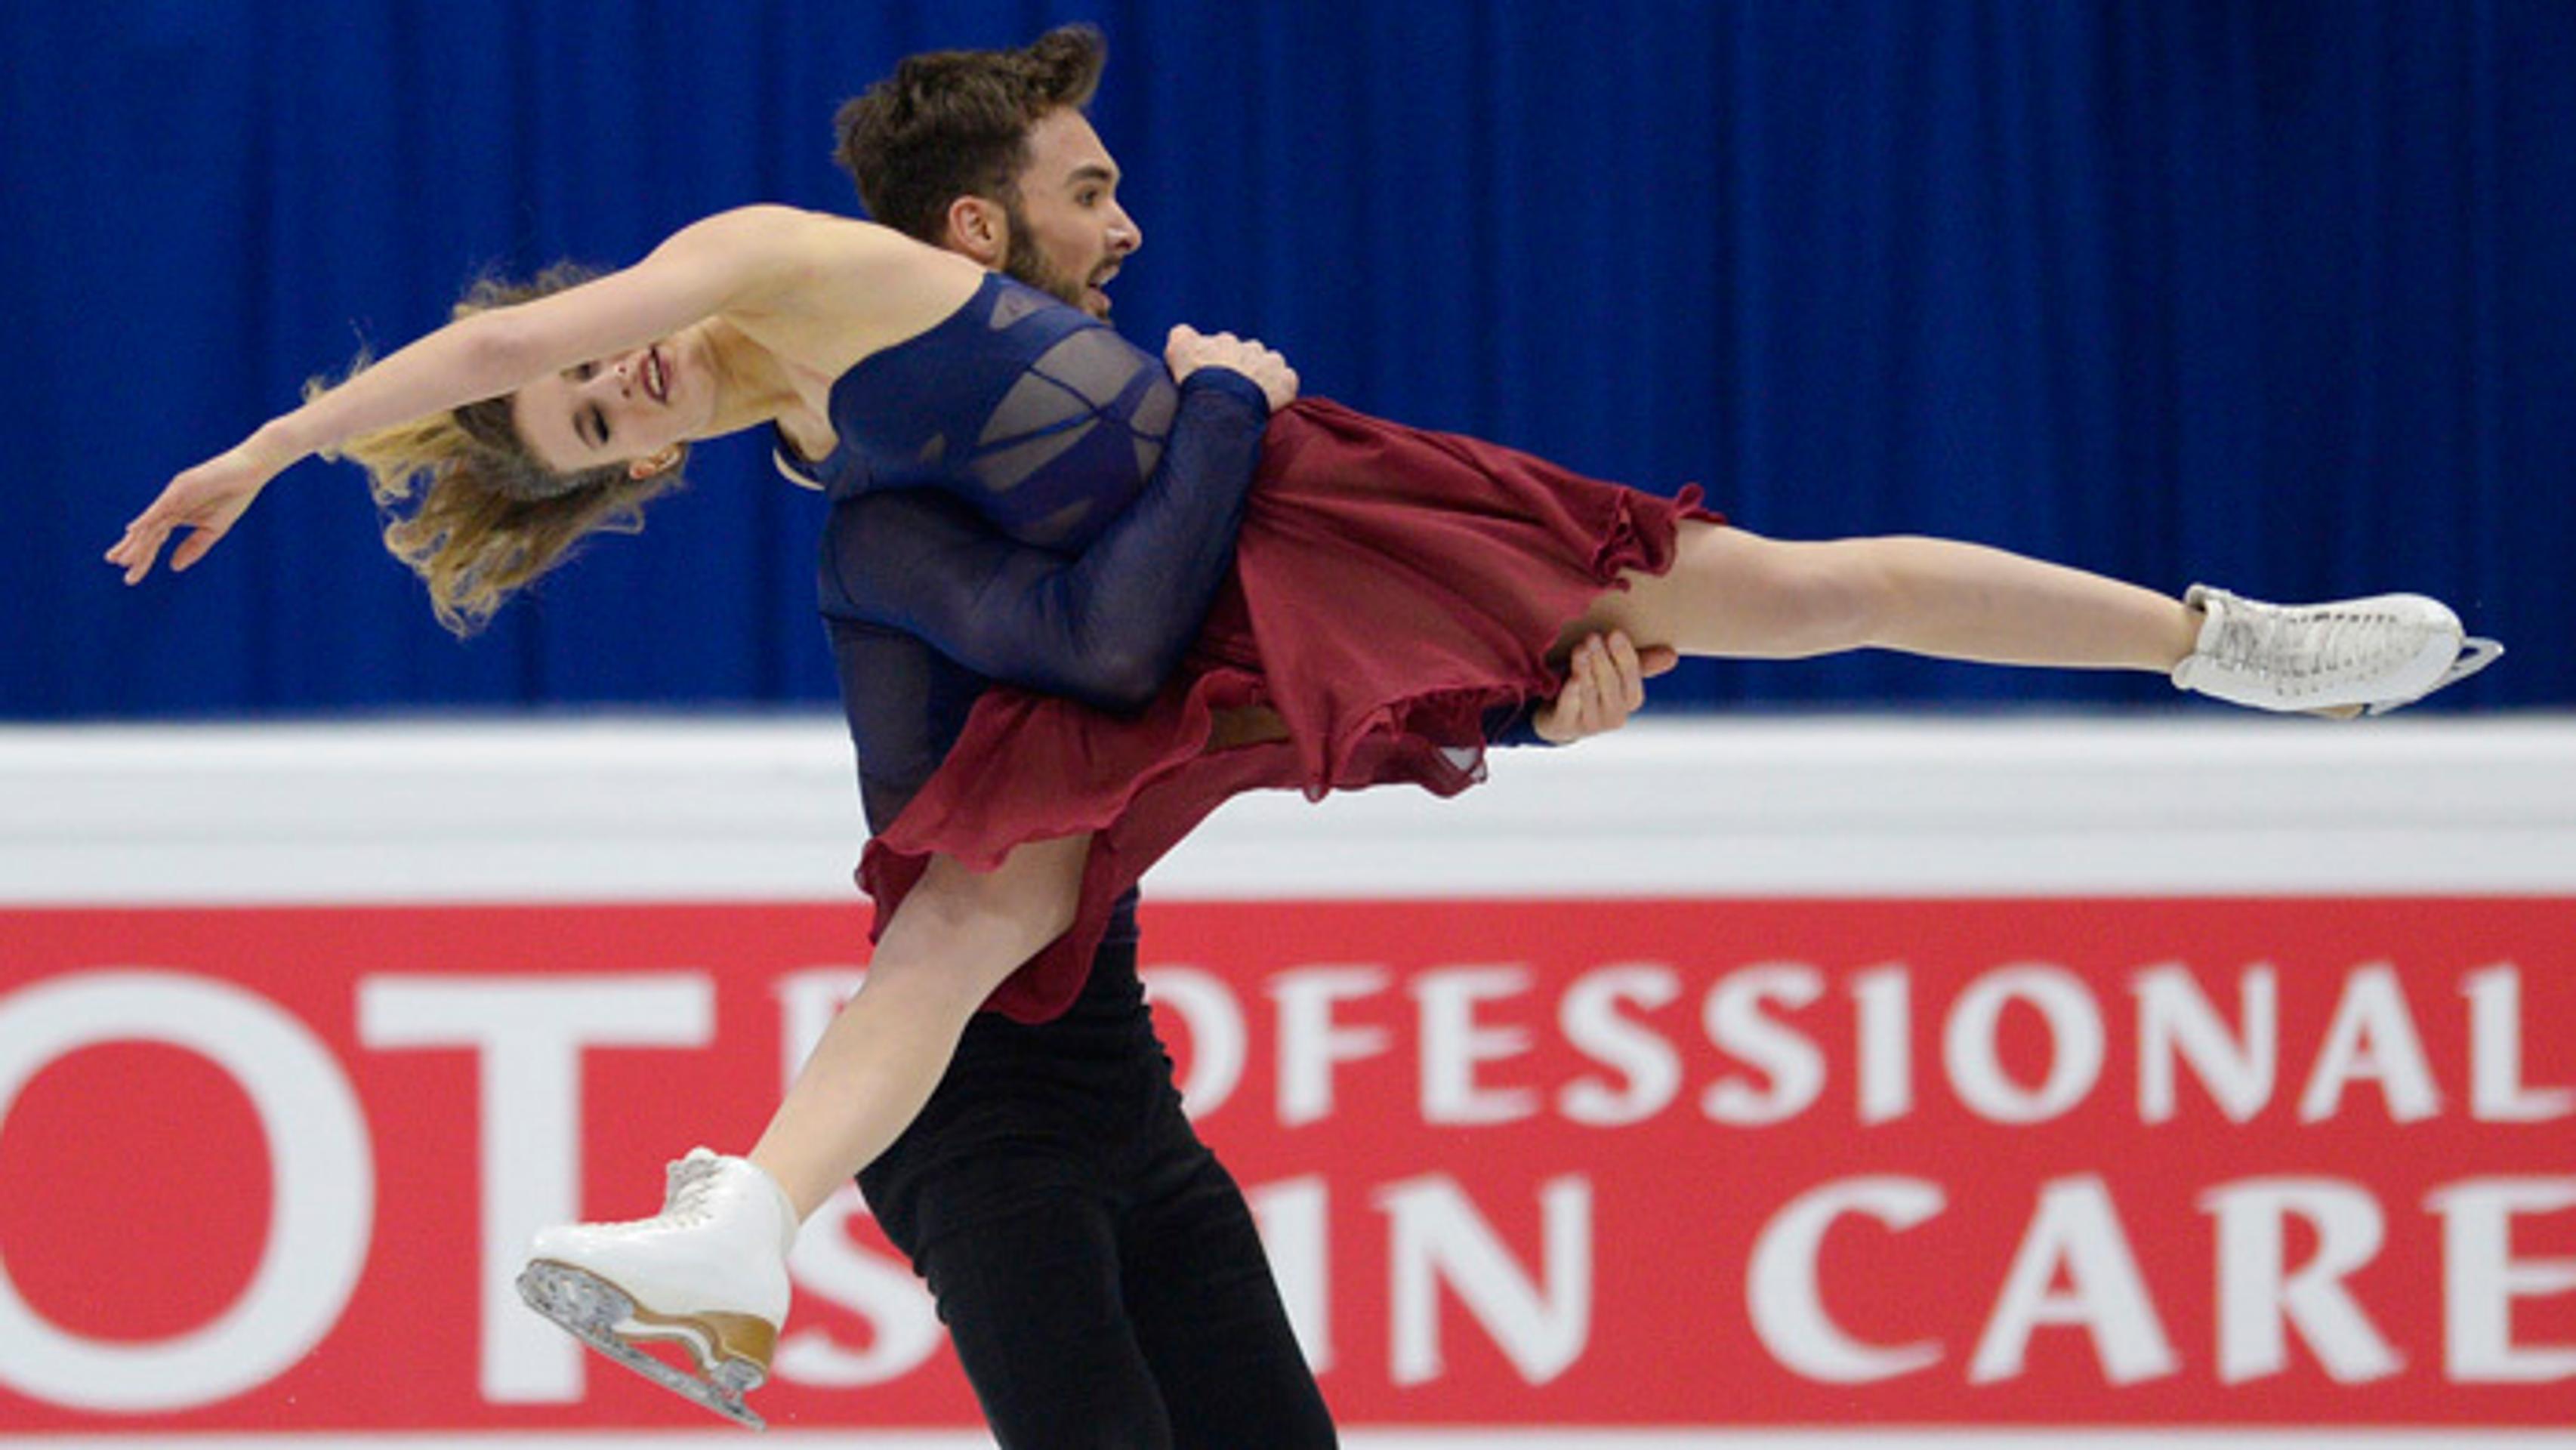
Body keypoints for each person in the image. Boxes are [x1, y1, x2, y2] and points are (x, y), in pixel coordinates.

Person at [105, 27, 2498, 1442]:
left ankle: (2221, 637)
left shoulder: (753, 263)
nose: (631, 393)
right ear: (639, 479)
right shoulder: (832, 473)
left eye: (589, 372)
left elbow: (495, 367)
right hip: (1177, 597)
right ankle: (740, 1223)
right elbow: (1024, 616)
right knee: (964, 907)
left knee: (1780, 591)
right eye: (615, 433)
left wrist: (276, 444)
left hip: (1293, 505)